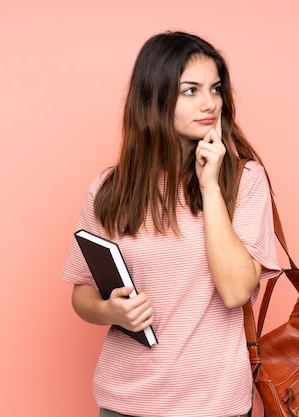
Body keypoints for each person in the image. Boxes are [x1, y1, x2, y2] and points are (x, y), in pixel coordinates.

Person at [61, 31, 279, 417]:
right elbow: (82, 295)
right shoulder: (109, 189)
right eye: (190, 90)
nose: (210, 102)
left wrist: (210, 187)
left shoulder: (244, 181)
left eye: (215, 88)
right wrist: (110, 312)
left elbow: (235, 291)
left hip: (214, 405)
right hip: (124, 401)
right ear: (155, 98)